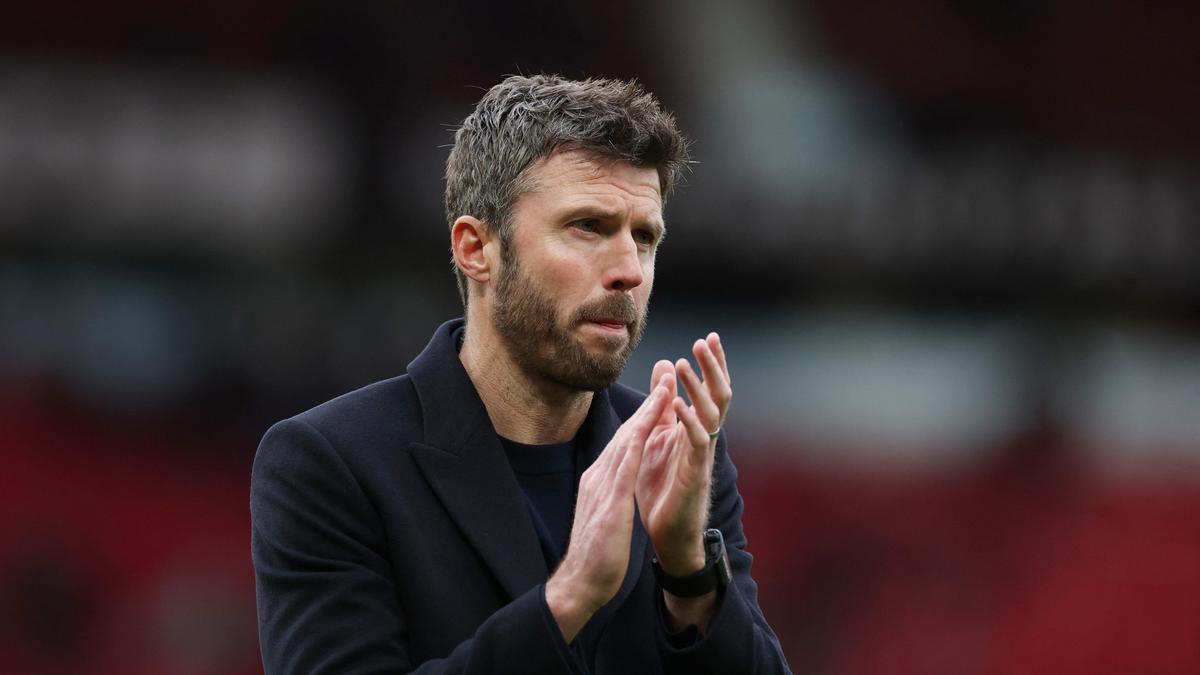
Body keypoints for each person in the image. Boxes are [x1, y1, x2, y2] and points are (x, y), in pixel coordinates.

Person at [251, 74, 791, 674]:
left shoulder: (672, 453)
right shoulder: (332, 463)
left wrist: (688, 572)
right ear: (476, 249)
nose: (630, 271)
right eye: (588, 227)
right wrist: (570, 597)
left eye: (644, 237)